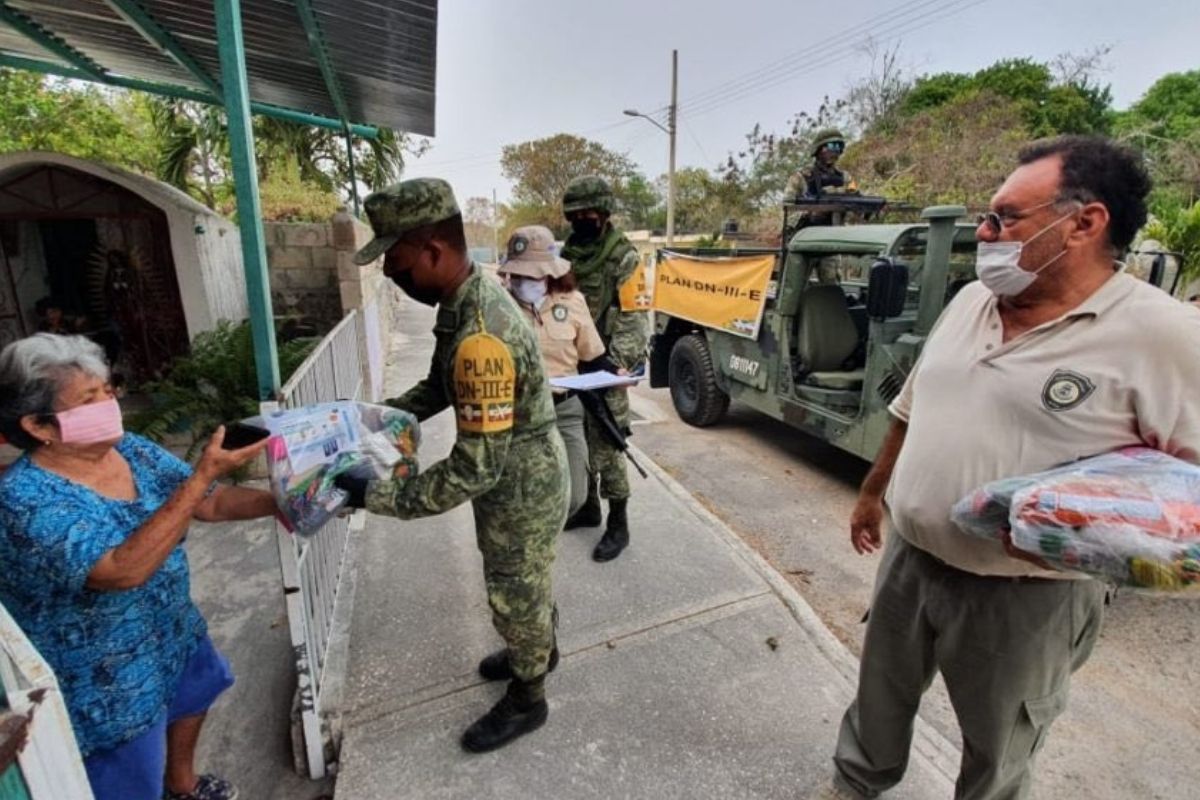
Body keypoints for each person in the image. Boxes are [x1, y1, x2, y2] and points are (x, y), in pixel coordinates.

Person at [820, 135, 1200, 800]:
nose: (985, 233)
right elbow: (912, 406)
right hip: (910, 560)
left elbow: (1185, 498)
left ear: (1084, 222)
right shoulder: (972, 300)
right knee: (878, 698)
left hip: (1023, 597)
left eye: (1003, 218)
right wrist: (872, 492)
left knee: (1000, 743)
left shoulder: (1162, 335)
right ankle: (855, 784)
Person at [336, 178, 570, 753]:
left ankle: (528, 695)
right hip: (516, 475)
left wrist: (374, 495)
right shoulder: (461, 304)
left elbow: (472, 470)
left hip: (521, 486)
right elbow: (439, 387)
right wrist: (374, 419)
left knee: (515, 588)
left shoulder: (480, 336)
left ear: (435, 251)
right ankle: (538, 646)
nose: (392, 275)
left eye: (397, 262)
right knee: (527, 580)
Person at [0, 333, 276, 800]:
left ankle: (183, 786)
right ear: (40, 425)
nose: (109, 403)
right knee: (128, 778)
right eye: (89, 398)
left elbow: (209, 503)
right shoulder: (24, 498)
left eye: (107, 390)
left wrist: (286, 503)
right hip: (105, 680)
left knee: (193, 694)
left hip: (169, 631)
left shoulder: (129, 448)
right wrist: (204, 473)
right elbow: (119, 571)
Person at [497, 224, 618, 520]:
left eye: (534, 273)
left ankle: (547, 527)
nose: (526, 280)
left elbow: (592, 355)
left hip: (565, 410)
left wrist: (616, 373)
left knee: (574, 497)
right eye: (520, 273)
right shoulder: (497, 306)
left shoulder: (572, 302)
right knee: (518, 493)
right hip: (517, 414)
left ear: (551, 271)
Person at [559, 175, 649, 562]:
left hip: (606, 365)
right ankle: (588, 507)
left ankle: (619, 524)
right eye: (575, 213)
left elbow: (634, 316)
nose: (582, 219)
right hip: (571, 361)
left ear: (604, 211)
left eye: (588, 212)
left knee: (608, 444)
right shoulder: (567, 253)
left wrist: (613, 365)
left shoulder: (623, 256)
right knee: (576, 438)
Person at [786, 129, 858, 202]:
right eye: (831, 145)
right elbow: (788, 207)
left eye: (838, 146)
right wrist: (811, 211)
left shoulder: (845, 177)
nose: (835, 150)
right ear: (819, 149)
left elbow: (856, 200)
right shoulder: (800, 178)